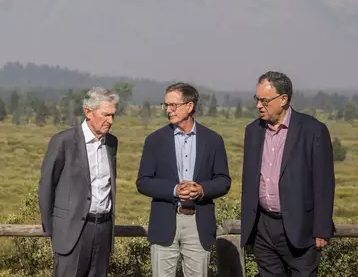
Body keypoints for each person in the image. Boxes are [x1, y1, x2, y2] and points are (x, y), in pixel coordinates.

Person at [240, 71, 336, 277]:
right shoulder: (252, 130)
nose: (258, 105)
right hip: (262, 228)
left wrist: (322, 228)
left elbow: (323, 183)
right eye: (257, 99)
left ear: (283, 99)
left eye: (264, 101)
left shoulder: (313, 130)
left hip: (300, 227)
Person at [137, 82, 231, 277]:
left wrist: (202, 189)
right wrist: (174, 190)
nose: (168, 110)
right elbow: (143, 182)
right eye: (166, 105)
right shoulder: (154, 140)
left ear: (190, 106)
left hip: (199, 224)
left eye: (173, 105)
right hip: (164, 223)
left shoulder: (213, 140)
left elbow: (223, 181)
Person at [38, 87, 119, 277]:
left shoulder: (112, 143)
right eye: (106, 115)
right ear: (88, 112)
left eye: (113, 115)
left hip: (103, 230)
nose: (110, 121)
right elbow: (46, 186)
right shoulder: (63, 141)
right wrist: (53, 231)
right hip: (70, 233)